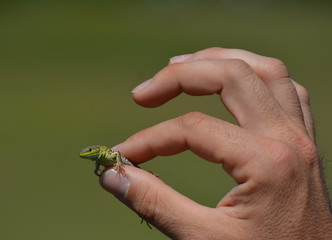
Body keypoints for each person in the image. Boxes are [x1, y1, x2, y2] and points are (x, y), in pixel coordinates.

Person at [99, 47, 332, 239]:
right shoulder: (105, 158)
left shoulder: (112, 156)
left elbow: (119, 160)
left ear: (98, 151)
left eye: (91, 151)